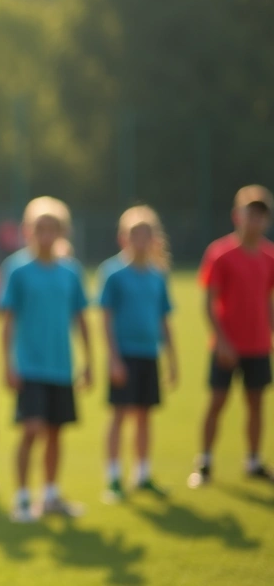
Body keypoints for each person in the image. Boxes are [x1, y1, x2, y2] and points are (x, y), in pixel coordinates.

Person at [0, 196, 92, 523]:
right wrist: (8, 365)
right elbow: (7, 322)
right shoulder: (17, 268)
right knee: (32, 430)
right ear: (29, 230)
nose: (46, 233)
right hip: (30, 365)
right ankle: (23, 498)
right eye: (40, 227)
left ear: (62, 231)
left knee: (55, 432)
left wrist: (90, 361)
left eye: (53, 227)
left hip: (61, 366)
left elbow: (81, 318)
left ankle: (51, 496)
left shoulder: (71, 271)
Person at [190, 185, 274, 487]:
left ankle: (253, 461)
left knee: (256, 403)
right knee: (217, 402)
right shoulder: (220, 253)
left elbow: (268, 301)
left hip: (258, 345)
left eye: (261, 216)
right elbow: (209, 303)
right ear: (237, 216)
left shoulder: (269, 255)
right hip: (227, 346)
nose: (255, 221)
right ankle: (205, 462)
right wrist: (223, 341)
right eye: (250, 214)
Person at [100, 205, 177, 502]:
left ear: (155, 238)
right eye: (135, 234)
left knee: (145, 416)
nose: (141, 239)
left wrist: (172, 359)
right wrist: (114, 358)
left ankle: (143, 474)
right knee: (120, 416)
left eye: (146, 234)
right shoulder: (113, 272)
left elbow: (163, 319)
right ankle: (114, 477)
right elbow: (106, 319)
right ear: (124, 237)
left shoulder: (159, 275)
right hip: (125, 354)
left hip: (149, 354)